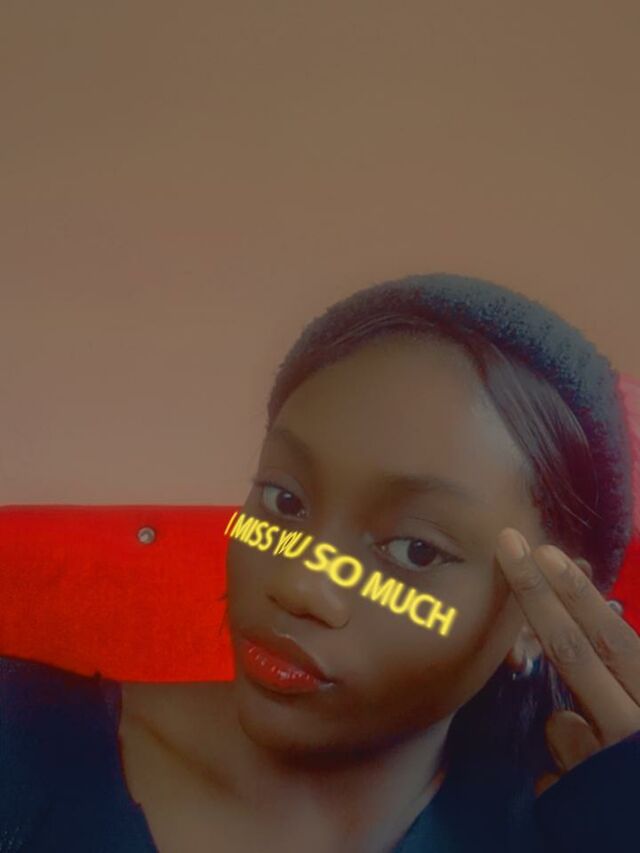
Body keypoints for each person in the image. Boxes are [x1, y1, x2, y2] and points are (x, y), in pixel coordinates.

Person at [1, 272, 639, 853]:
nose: (299, 582)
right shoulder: (19, 741)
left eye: (414, 550)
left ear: (534, 616)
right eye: (284, 501)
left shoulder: (567, 829)